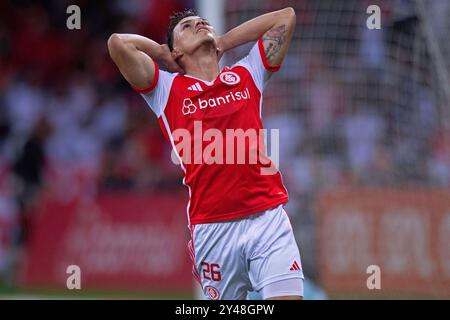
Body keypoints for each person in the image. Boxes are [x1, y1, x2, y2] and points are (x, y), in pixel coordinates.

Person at [108, 7, 303, 300]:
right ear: (176, 52)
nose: (199, 23)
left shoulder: (248, 73)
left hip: (268, 218)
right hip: (213, 228)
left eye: (202, 22)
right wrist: (163, 54)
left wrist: (224, 41)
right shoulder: (166, 89)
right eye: (186, 27)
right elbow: (117, 43)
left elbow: (285, 17)